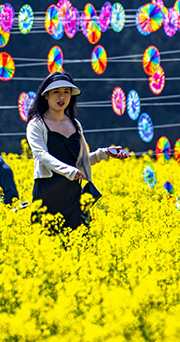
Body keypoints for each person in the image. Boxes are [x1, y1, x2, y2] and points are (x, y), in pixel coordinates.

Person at [25, 71, 130, 231]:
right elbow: (41, 154)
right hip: (47, 194)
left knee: (80, 244)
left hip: (73, 195)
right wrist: (69, 171)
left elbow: (81, 162)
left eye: (66, 92)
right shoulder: (36, 125)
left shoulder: (75, 125)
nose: (62, 97)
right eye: (56, 92)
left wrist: (105, 153)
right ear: (46, 95)